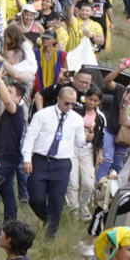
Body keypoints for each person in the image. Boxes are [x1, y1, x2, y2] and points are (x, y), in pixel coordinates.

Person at [21, 81, 85, 237]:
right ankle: (46, 218)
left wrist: (87, 138)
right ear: (58, 99)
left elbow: (79, 142)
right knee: (36, 198)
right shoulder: (43, 115)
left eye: (73, 104)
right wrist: (27, 158)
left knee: (56, 201)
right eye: (66, 103)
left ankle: (50, 235)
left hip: (62, 163)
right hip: (41, 160)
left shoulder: (76, 119)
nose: (69, 106)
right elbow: (30, 136)